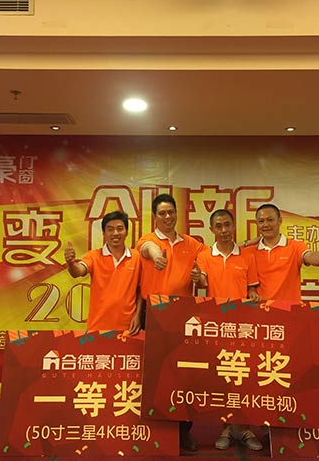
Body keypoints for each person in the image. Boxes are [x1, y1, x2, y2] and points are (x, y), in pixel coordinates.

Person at [137, 193, 204, 452]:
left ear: (177, 213)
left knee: (184, 374)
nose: (167, 217)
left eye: (171, 212)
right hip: (154, 314)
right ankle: (157, 432)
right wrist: (156, 255)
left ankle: (183, 431)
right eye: (162, 213)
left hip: (183, 316)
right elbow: (147, 249)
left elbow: (208, 265)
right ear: (155, 217)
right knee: (155, 375)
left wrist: (201, 276)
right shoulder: (147, 240)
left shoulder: (192, 244)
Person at [194, 209, 263, 451]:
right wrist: (198, 278)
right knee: (222, 381)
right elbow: (203, 282)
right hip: (216, 329)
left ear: (234, 226)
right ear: (211, 229)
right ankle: (226, 428)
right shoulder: (204, 256)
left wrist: (253, 295)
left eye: (227, 225)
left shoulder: (247, 256)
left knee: (245, 380)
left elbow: (251, 289)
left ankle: (245, 429)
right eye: (219, 226)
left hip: (243, 329)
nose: (224, 230)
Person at [64, 210, 142, 335]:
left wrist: (138, 316)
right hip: (97, 327)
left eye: (120, 228)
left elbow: (140, 290)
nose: (115, 233)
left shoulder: (136, 257)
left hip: (128, 328)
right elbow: (78, 271)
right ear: (104, 233)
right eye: (110, 229)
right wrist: (71, 263)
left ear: (126, 232)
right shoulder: (94, 256)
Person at [244, 203, 319, 303]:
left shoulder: (295, 246)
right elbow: (230, 251)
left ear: (280, 221)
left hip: (289, 310)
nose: (265, 225)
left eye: (270, 220)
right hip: (260, 309)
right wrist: (246, 243)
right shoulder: (250, 252)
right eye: (261, 221)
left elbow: (309, 256)